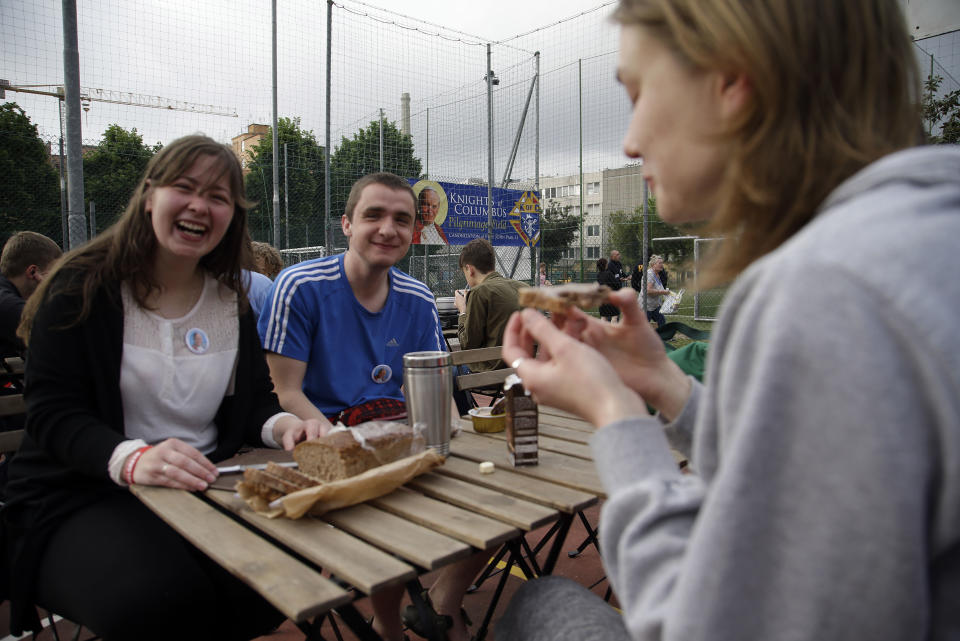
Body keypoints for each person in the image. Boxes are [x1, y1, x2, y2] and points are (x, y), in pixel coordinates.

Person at [497, 1, 960, 640]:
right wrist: (664, 386)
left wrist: (616, 415)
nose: (630, 141)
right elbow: (813, 481)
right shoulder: (923, 238)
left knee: (538, 604)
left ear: (731, 77)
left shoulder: (824, 290)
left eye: (638, 93)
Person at [0, 135, 326, 640]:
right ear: (149, 195)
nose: (201, 204)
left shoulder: (230, 300)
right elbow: (52, 413)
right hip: (83, 494)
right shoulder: (81, 287)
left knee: (273, 580)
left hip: (198, 489)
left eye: (218, 197)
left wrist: (288, 427)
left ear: (231, 217)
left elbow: (258, 402)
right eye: (185, 186)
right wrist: (134, 458)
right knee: (160, 601)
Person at [259, 172, 485, 641]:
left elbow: (431, 389)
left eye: (402, 219)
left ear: (412, 234)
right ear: (346, 224)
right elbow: (287, 392)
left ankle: (444, 600)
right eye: (373, 215)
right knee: (381, 508)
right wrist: (340, 442)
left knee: (499, 497)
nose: (388, 228)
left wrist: (452, 429)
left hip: (395, 435)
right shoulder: (299, 286)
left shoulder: (417, 297)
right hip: (320, 436)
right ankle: (387, 624)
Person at [454, 238, 526, 371]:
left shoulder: (479, 292)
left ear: (469, 269)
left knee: (449, 373)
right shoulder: (524, 288)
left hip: (493, 371)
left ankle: (466, 393)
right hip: (522, 368)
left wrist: (462, 310)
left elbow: (467, 344)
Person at [0, 231, 62, 360]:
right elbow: (56, 335)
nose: (55, 282)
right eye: (53, 275)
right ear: (33, 272)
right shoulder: (7, 304)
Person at [645, 254, 670, 327]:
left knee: (662, 321)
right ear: (653, 264)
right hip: (646, 306)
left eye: (662, 263)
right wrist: (663, 292)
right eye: (659, 263)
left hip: (655, 305)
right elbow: (648, 291)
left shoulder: (658, 274)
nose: (662, 265)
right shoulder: (649, 274)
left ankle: (664, 337)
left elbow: (659, 289)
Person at [596, 257, 620, 322]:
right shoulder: (609, 273)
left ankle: (602, 331)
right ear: (605, 265)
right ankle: (613, 331)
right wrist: (617, 279)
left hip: (602, 299)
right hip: (610, 297)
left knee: (603, 317)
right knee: (614, 316)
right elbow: (617, 285)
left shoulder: (599, 275)